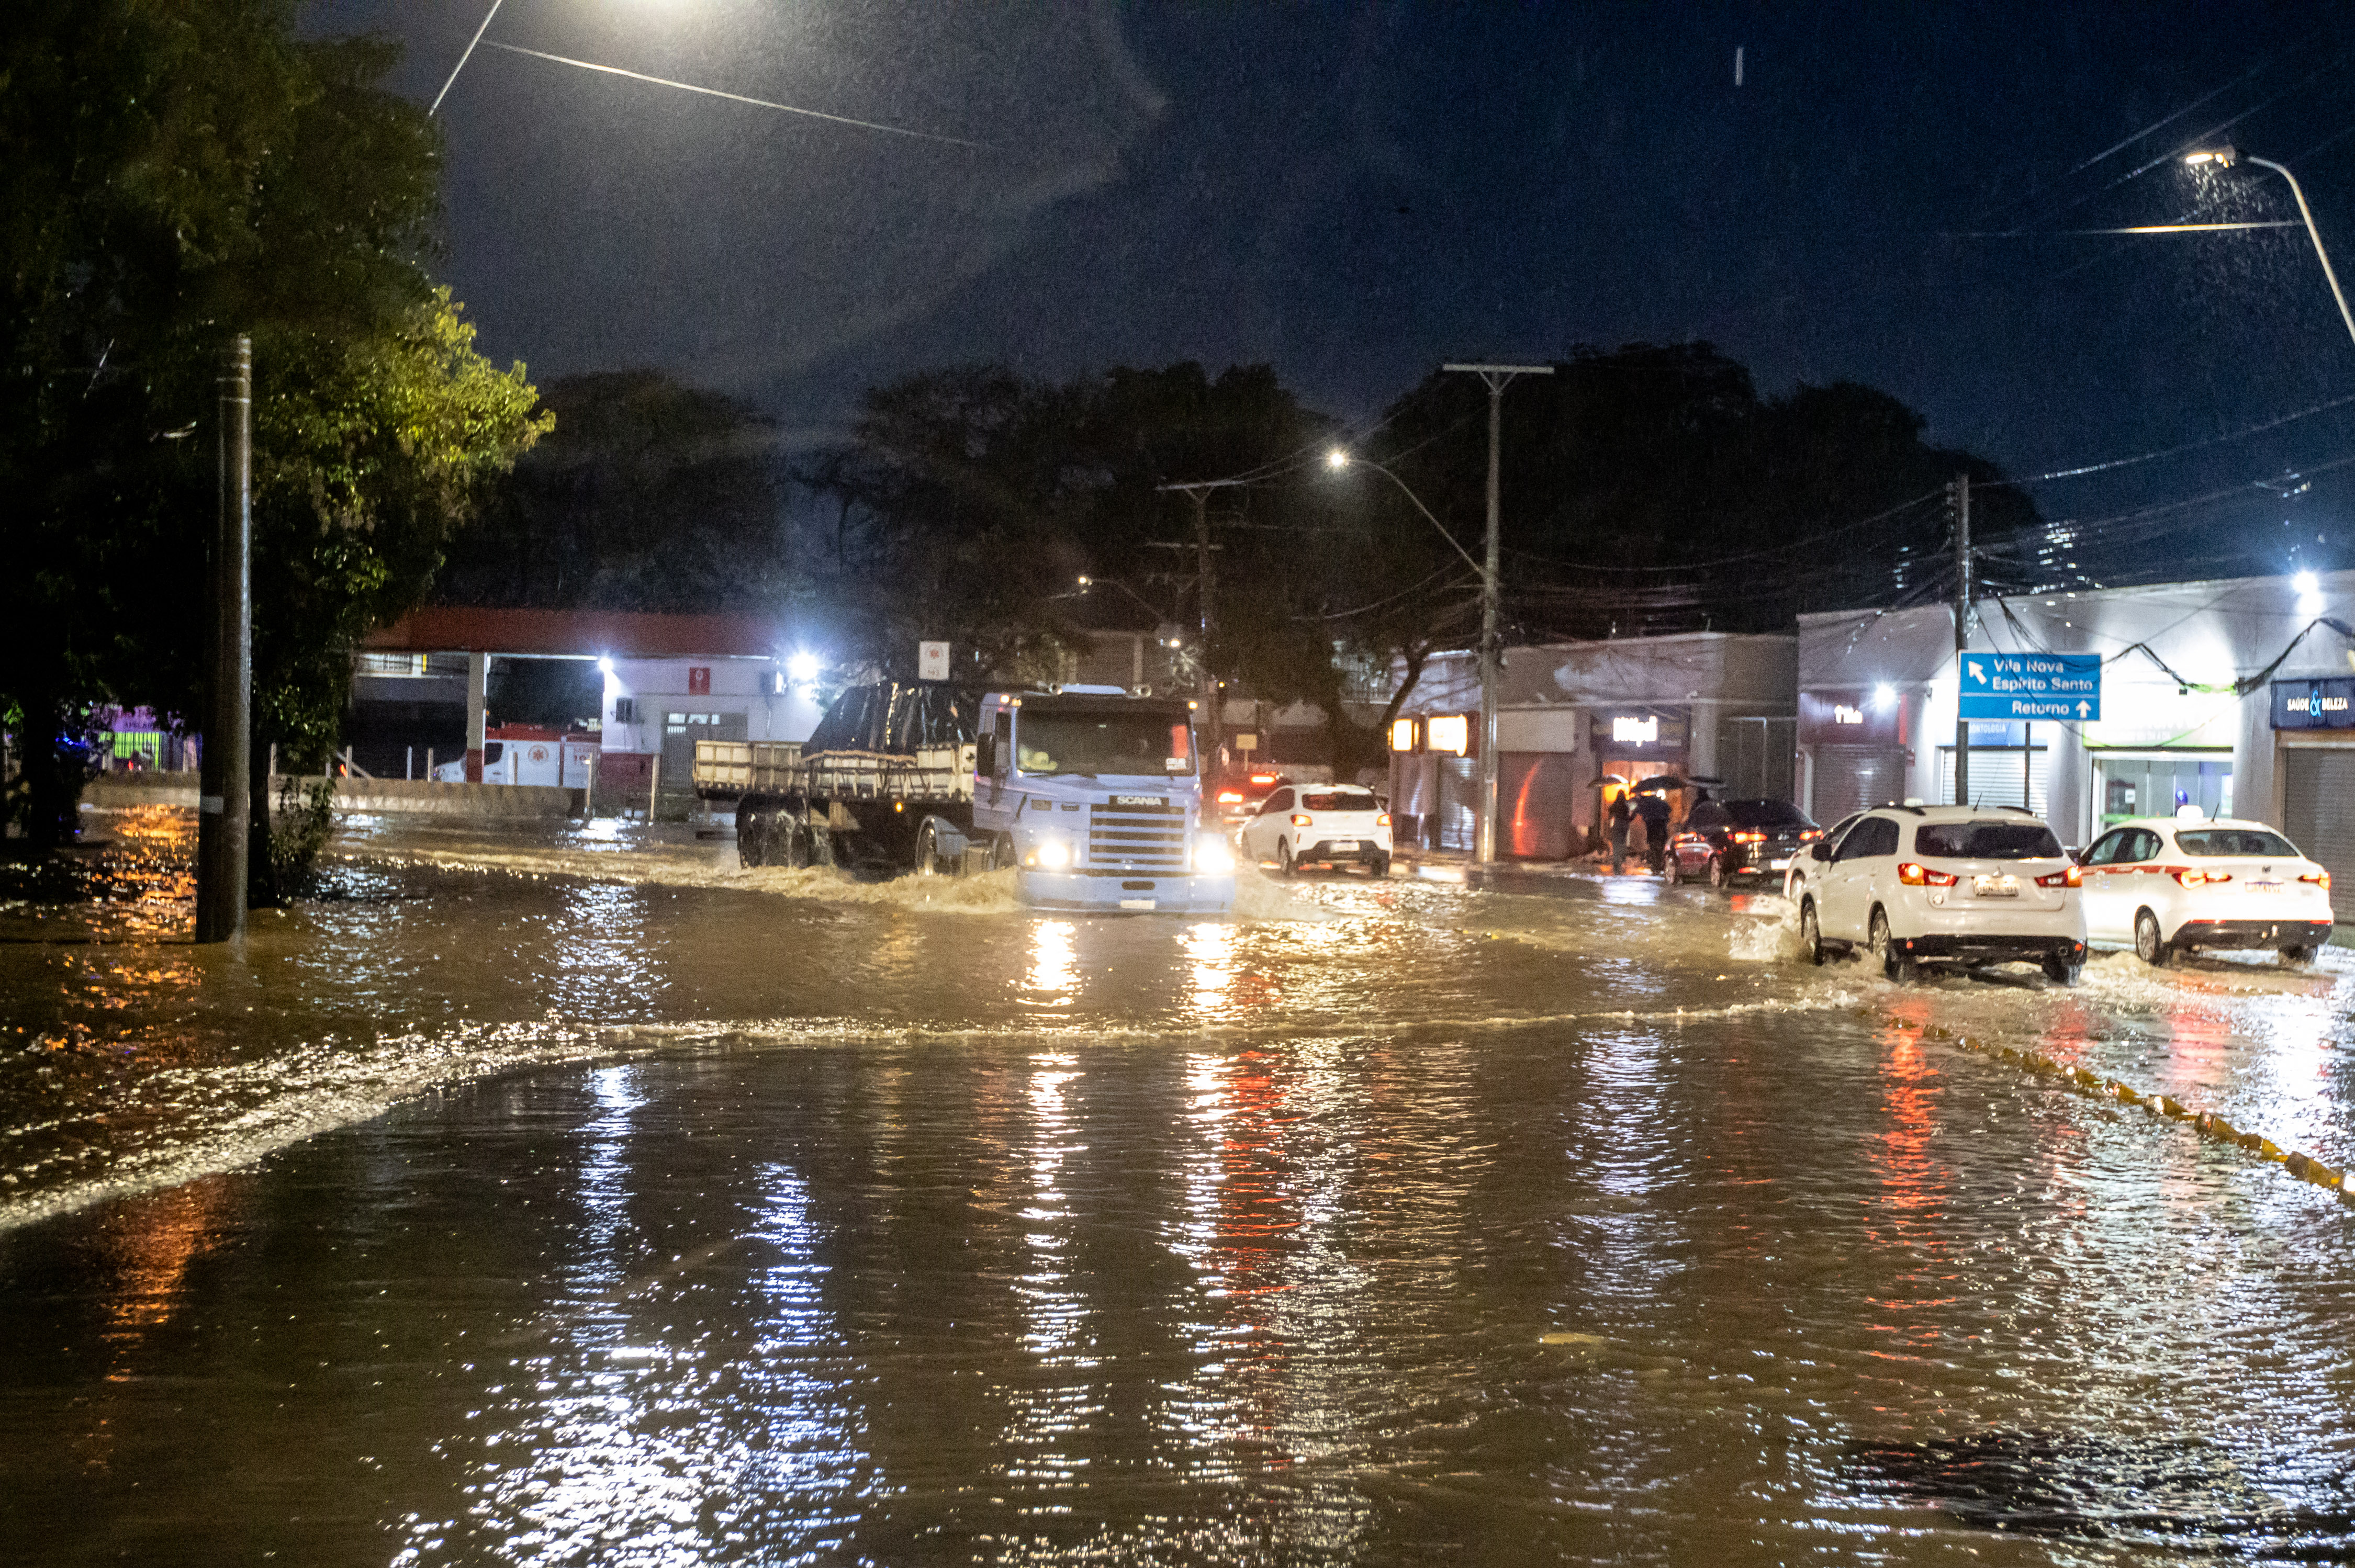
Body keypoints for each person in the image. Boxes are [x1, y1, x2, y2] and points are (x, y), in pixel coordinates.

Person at [1634, 786, 1672, 874]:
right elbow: (1669, 810)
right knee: (1660, 849)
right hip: (1662, 830)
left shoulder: (1647, 804)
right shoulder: (1661, 804)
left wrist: (1645, 817)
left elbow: (1639, 811)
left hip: (1653, 831)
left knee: (1654, 849)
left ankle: (1656, 868)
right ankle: (1659, 867)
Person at [1606, 789, 1632, 874]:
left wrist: (1610, 824)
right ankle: (1622, 857)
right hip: (1624, 826)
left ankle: (1617, 860)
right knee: (1622, 842)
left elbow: (1610, 812)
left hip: (1617, 825)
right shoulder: (1626, 805)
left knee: (1616, 842)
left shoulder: (1616, 804)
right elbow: (1629, 815)